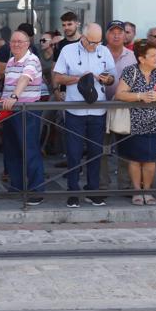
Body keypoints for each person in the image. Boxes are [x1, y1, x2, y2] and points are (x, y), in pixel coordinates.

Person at [53, 24, 113, 207]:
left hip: (98, 109)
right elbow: (57, 77)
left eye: (98, 42)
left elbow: (112, 77)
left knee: (96, 152)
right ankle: (73, 191)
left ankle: (93, 190)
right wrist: (80, 78)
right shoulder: (68, 50)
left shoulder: (104, 51)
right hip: (74, 110)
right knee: (73, 153)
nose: (95, 46)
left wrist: (106, 79)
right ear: (83, 38)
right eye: (92, 42)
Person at [114, 39, 156, 204]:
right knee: (135, 159)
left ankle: (147, 191)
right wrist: (140, 96)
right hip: (134, 122)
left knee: (150, 158)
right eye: (153, 55)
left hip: (155, 121)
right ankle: (136, 191)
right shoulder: (130, 71)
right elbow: (120, 93)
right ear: (141, 59)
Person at [2, 29, 47, 206]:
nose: (16, 44)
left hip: (27, 110)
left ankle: (37, 190)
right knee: (12, 150)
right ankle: (17, 187)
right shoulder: (11, 61)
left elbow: (24, 78)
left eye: (20, 42)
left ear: (28, 44)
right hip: (9, 111)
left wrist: (14, 97)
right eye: (13, 42)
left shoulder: (32, 60)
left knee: (30, 150)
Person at [101, 20, 137, 191]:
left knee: (126, 149)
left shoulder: (132, 56)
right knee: (101, 149)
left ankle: (125, 185)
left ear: (125, 35)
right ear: (106, 34)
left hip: (124, 108)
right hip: (100, 107)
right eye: (112, 31)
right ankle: (102, 185)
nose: (116, 35)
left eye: (119, 32)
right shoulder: (98, 52)